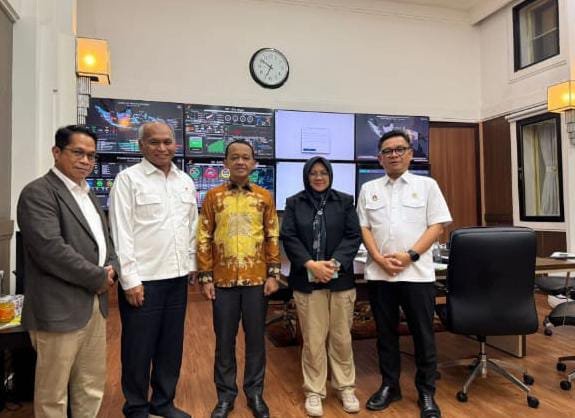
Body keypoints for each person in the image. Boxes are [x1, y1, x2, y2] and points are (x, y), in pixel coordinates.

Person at [17, 125, 119, 418]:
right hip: (58, 309)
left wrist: (113, 266)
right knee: (53, 394)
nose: (86, 160)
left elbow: (105, 240)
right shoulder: (38, 192)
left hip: (94, 307)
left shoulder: (88, 193)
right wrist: (99, 277)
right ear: (56, 152)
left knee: (90, 385)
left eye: (91, 155)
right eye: (78, 152)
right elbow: (50, 250)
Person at [357, 130, 452, 418]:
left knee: (423, 335)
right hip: (380, 275)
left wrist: (410, 255)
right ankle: (390, 386)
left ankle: (426, 392)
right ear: (380, 158)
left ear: (410, 154)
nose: (394, 155)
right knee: (385, 335)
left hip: (417, 275)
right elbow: (364, 227)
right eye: (388, 151)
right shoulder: (369, 188)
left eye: (400, 149)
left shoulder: (427, 186)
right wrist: (378, 258)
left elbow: (437, 226)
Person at [109, 122, 198, 418]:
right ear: (141, 146)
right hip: (144, 281)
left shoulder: (185, 181)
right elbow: (121, 232)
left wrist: (192, 265)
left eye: (167, 142)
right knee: (138, 348)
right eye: (154, 142)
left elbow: (192, 227)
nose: (162, 148)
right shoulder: (128, 180)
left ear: (175, 144)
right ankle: (136, 406)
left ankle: (163, 402)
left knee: (170, 346)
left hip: (177, 278)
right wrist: (130, 280)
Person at [197, 139, 280, 418]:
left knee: (256, 341)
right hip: (222, 282)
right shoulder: (213, 197)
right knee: (224, 341)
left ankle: (255, 393)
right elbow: (204, 236)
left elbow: (272, 235)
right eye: (235, 157)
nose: (241, 162)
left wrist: (274, 274)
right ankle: (225, 396)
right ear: (226, 163)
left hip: (257, 280)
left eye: (246, 157)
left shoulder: (264, 197)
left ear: (254, 163)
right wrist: (206, 276)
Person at [280, 157, 362, 417]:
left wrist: (333, 264)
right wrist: (311, 265)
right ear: (306, 176)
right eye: (313, 173)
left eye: (323, 173)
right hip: (307, 280)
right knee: (313, 340)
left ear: (330, 175)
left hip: (341, 280)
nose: (318, 177)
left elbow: (353, 235)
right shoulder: (294, 202)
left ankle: (345, 387)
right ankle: (314, 391)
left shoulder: (344, 201)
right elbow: (289, 237)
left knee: (341, 338)